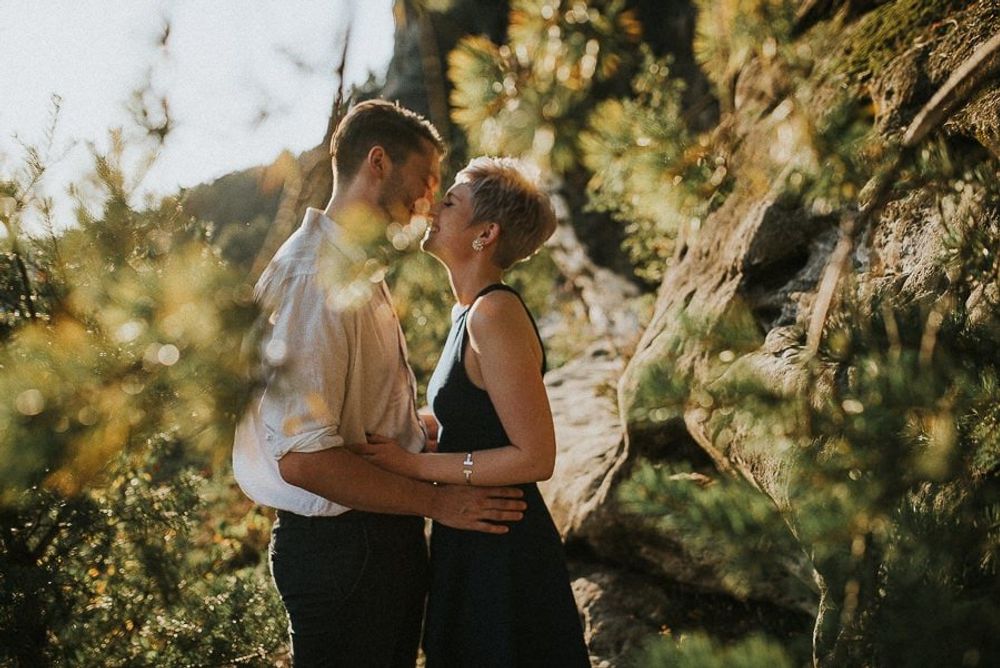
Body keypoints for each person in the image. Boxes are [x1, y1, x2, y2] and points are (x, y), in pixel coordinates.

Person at [232, 101, 528, 668]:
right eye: (426, 179)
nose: (429, 202)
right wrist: (440, 503)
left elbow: (350, 417)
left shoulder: (353, 270)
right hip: (346, 549)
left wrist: (424, 430)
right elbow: (304, 460)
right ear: (378, 162)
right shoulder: (313, 276)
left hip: (374, 538)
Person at [351, 157, 590, 667]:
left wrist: (412, 465)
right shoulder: (468, 310)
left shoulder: (494, 313)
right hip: (473, 534)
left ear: (486, 233)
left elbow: (535, 456)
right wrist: (421, 427)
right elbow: (482, 416)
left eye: (450, 202)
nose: (432, 209)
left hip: (503, 546)